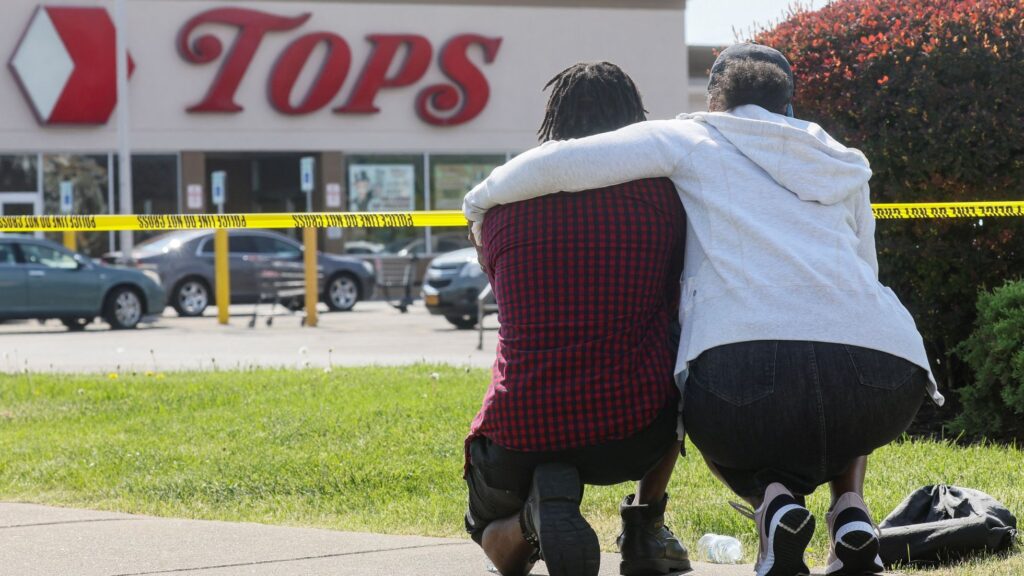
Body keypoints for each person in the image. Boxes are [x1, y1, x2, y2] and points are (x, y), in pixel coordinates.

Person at [463, 44, 945, 576]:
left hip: (734, 376)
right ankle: (848, 515)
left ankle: (774, 504)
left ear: (715, 100)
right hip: (886, 375)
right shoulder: (842, 159)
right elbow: (864, 272)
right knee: (830, 333)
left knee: (715, 390)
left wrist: (480, 202)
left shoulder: (693, 136)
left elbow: (568, 162)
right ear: (788, 103)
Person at [463, 62, 691, 576]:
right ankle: (645, 525)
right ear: (634, 121)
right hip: (631, 431)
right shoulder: (666, 202)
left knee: (489, 534)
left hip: (519, 431)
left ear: (553, 122)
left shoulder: (498, 210)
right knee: (680, 341)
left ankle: (529, 520)